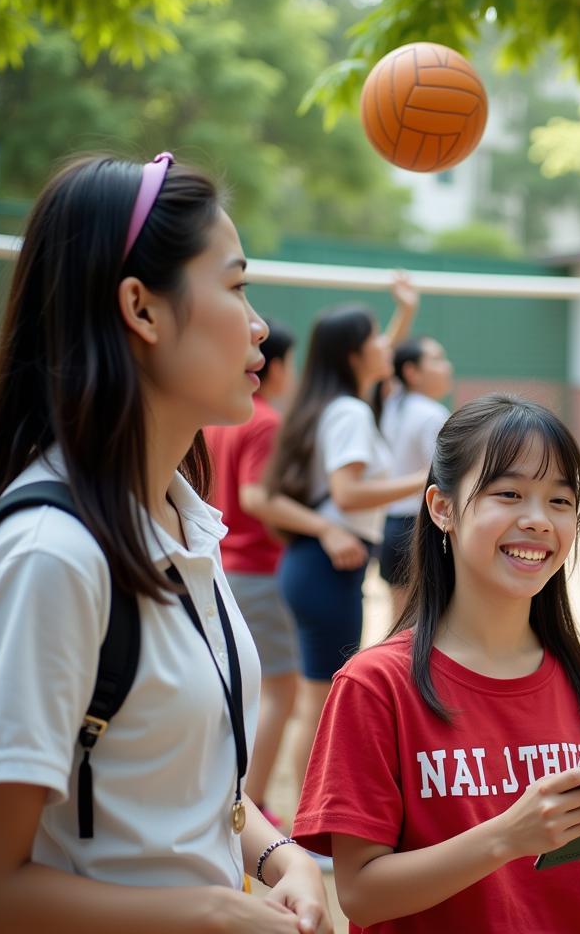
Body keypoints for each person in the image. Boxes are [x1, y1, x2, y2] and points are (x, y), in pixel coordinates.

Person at [0, 153, 329, 932]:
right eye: (237, 286)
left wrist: (282, 857)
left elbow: (176, 774)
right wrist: (209, 912)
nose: (259, 325)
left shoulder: (183, 517)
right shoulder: (53, 556)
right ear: (141, 309)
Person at [291, 393, 580, 933]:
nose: (538, 521)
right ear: (442, 508)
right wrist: (506, 836)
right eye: (508, 493)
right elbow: (361, 894)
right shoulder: (375, 684)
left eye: (560, 501)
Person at [263, 284, 428, 792]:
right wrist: (429, 480)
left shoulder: (340, 403)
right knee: (317, 703)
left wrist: (405, 311)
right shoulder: (350, 412)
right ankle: (308, 831)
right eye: (376, 340)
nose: (388, 347)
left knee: (316, 698)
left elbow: (372, 355)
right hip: (327, 566)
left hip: (322, 565)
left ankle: (305, 825)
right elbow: (349, 492)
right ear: (355, 354)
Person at [205, 319, 366, 826]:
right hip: (256, 568)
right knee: (281, 692)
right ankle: (251, 807)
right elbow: (256, 496)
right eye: (288, 364)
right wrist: (326, 527)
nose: (292, 375)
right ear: (271, 367)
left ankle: (247, 803)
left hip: (226, 567)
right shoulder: (263, 420)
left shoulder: (216, 418)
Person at [379, 336, 453, 622]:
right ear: (411, 371)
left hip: (389, 527)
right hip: (416, 528)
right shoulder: (432, 414)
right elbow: (444, 476)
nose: (447, 366)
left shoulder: (391, 403)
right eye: (436, 359)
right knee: (417, 624)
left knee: (398, 619)